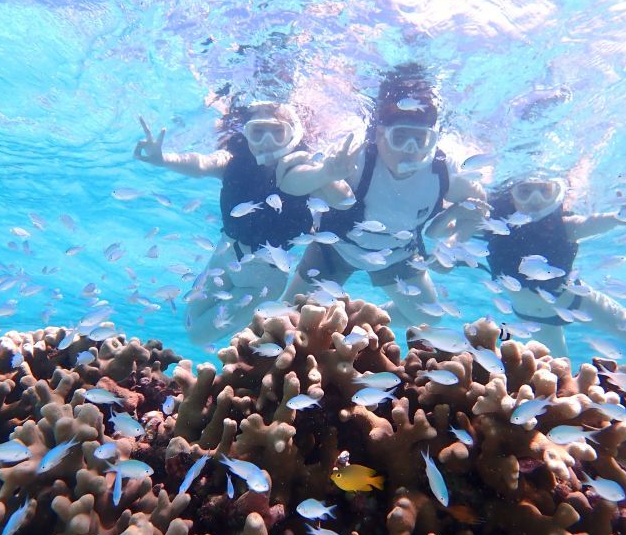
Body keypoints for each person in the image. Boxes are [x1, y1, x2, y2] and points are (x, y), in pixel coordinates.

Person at [281, 64, 487, 325]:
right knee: (287, 317)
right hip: (336, 247)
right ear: (379, 135)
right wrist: (325, 173)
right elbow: (290, 183)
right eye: (400, 137)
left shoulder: (443, 173)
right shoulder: (355, 159)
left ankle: (356, 321)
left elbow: (479, 203)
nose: (410, 149)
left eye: (420, 140)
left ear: (432, 140)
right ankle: (341, 321)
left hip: (398, 253)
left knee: (428, 319)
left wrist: (455, 243)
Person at [134, 100, 352, 344]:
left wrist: (329, 174)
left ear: (294, 133)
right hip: (224, 255)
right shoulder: (233, 161)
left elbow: (343, 200)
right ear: (245, 133)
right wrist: (163, 159)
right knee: (191, 317)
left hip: (263, 279)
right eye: (257, 132)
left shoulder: (306, 169)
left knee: (198, 336)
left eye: (277, 131)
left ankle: (262, 344)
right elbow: (202, 163)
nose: (267, 141)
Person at [462, 173, 626, 360]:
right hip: (535, 321)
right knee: (558, 379)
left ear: (556, 194)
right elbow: (449, 232)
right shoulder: (494, 228)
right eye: (525, 191)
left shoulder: (564, 226)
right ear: (511, 195)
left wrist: (620, 218)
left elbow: (591, 222)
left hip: (578, 302)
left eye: (544, 190)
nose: (535, 199)